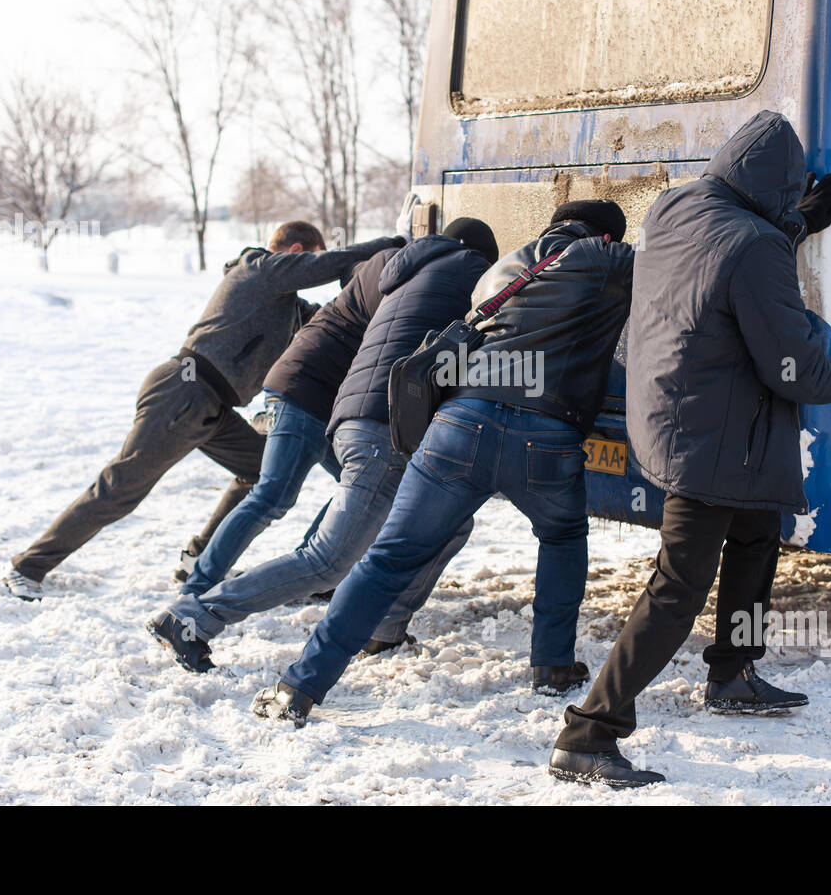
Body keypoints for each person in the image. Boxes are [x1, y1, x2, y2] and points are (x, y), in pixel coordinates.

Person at [548, 110, 831, 788]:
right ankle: (589, 731)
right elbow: (791, 366)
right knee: (678, 586)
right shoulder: (759, 245)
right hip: (713, 435)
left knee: (757, 531)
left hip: (671, 413)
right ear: (776, 189)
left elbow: (719, 254)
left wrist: (794, 223)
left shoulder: (673, 209)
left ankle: (733, 671)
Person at [254, 199, 637, 727]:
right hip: (544, 436)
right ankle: (551, 666)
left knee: (388, 556)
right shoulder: (606, 259)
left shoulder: (503, 267)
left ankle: (300, 684)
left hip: (460, 425)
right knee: (563, 537)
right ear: (606, 237)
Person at [146, 218, 499, 673]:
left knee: (447, 522)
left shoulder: (392, 268)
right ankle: (192, 614)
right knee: (315, 549)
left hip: (347, 409)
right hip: (344, 408)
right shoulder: (452, 276)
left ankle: (383, 627)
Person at [3, 221, 402, 601]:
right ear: (295, 253)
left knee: (260, 470)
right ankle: (28, 567)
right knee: (122, 486)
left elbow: (336, 315)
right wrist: (396, 244)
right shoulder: (257, 269)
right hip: (183, 390)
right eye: (311, 257)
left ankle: (199, 557)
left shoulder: (287, 308)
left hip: (213, 405)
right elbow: (328, 265)